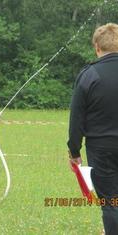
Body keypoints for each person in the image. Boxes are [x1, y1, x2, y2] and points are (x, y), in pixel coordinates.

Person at [67, 23, 118, 235]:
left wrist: (74, 151)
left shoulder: (89, 74)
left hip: (100, 148)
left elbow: (76, 117)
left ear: (97, 47)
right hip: (102, 147)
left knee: (110, 201)